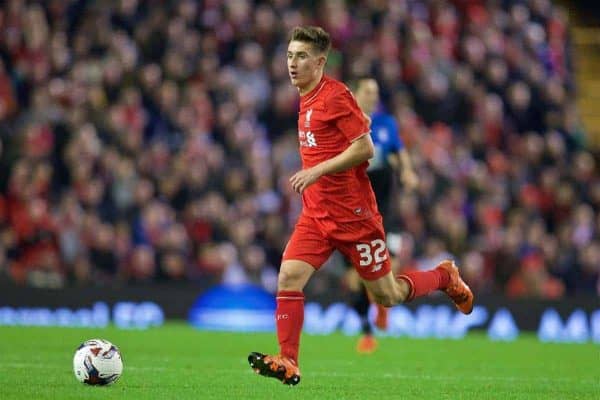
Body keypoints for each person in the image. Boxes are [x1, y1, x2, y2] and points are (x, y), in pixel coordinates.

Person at [248, 26, 473, 386]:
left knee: (388, 294)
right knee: (288, 277)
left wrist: (316, 171)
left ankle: (445, 276)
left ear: (320, 62)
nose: (292, 63)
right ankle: (288, 361)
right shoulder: (304, 96)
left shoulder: (336, 96)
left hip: (355, 217)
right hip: (316, 215)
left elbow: (365, 148)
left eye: (301, 56)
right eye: (290, 55)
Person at [348, 77, 419, 353]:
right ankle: (366, 331)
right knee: (356, 276)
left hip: (386, 209)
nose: (373, 96)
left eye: (376, 91)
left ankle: (382, 309)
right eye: (368, 91)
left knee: (394, 260)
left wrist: (408, 171)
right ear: (355, 94)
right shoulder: (345, 123)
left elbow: (399, 152)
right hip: (355, 212)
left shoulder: (386, 123)